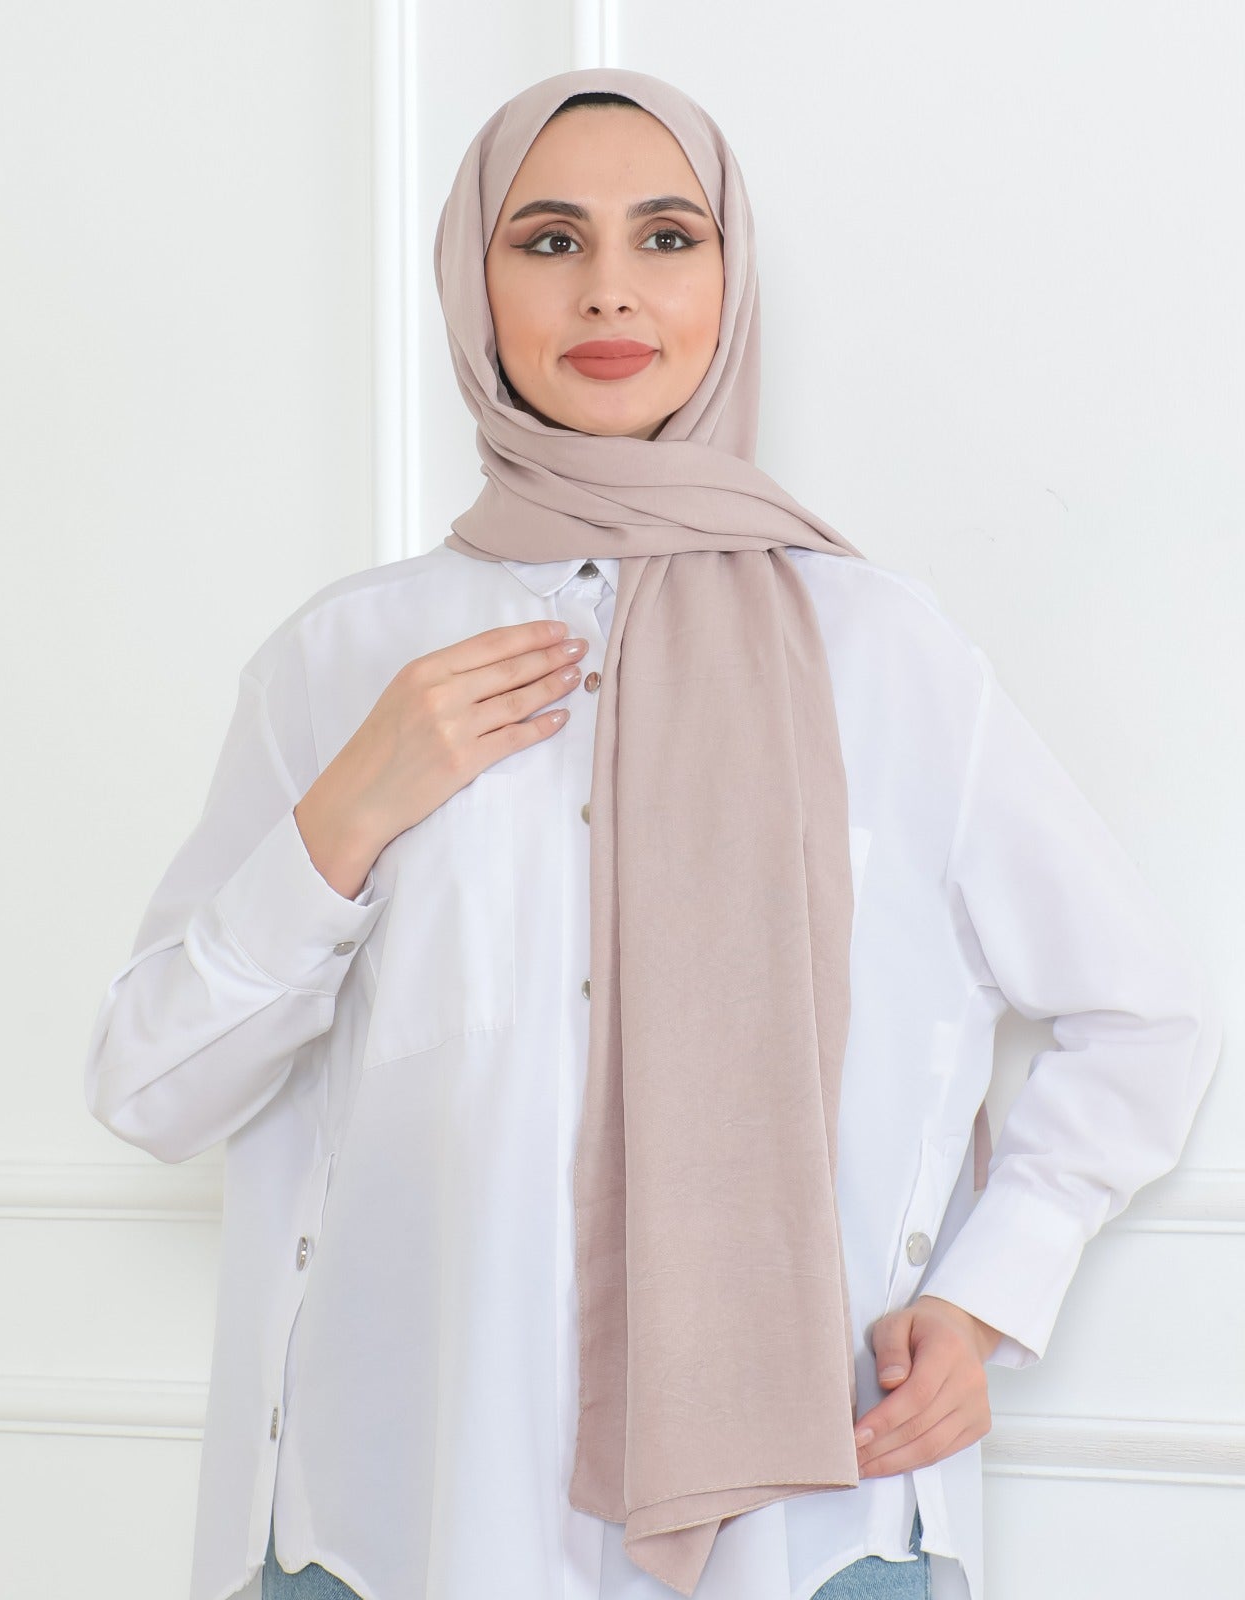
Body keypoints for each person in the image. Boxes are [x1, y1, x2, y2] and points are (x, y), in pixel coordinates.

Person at [83, 67, 1220, 1600]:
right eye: (548, 239)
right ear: (473, 282)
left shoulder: (882, 653)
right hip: (408, 1517)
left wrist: (990, 1292)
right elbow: (150, 1089)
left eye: (667, 237)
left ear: (728, 282)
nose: (609, 287)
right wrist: (352, 809)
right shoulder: (348, 659)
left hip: (809, 1529)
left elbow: (1142, 1013)